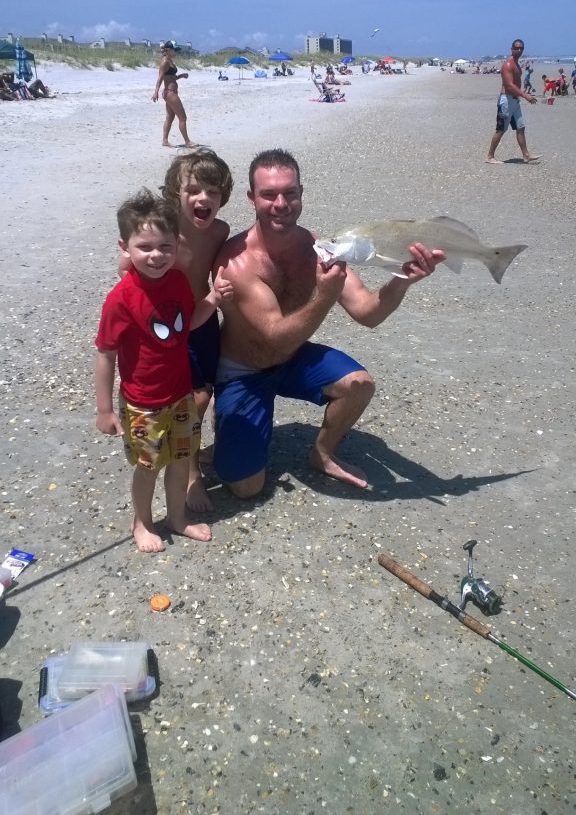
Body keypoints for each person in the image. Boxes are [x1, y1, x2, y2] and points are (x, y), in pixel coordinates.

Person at [211, 148, 445, 498]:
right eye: (269, 194)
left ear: (301, 194)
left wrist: (402, 280)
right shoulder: (237, 262)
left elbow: (368, 313)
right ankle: (226, 418)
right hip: (243, 370)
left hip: (290, 357)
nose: (281, 203)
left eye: (289, 193)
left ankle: (321, 452)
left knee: (359, 385)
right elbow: (273, 336)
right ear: (251, 198)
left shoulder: (315, 247)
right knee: (246, 488)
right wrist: (323, 296)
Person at [95, 188, 232, 552]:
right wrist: (105, 409)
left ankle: (177, 517)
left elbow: (189, 322)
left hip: (181, 395)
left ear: (176, 244)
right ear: (125, 247)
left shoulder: (176, 281)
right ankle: (141, 521)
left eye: (165, 247)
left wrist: (214, 300)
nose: (156, 256)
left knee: (182, 459)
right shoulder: (120, 299)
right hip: (143, 404)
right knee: (148, 466)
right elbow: (106, 354)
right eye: (145, 247)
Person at [160, 149, 233, 512]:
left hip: (205, 318)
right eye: (193, 190)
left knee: (216, 387)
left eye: (213, 192)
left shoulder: (220, 230)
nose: (203, 198)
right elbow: (126, 265)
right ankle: (189, 472)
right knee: (196, 398)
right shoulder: (165, 230)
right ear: (176, 193)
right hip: (172, 327)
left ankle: (201, 447)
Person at [485, 39, 540, 164]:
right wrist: (525, 95)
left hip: (515, 100)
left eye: (521, 48)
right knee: (500, 129)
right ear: (512, 49)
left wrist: (522, 96)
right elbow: (509, 85)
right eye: (517, 48)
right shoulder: (508, 64)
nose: (519, 50)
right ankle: (490, 156)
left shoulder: (516, 63)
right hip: (506, 101)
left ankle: (526, 155)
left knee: (520, 128)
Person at [152, 41, 193, 148]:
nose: (176, 52)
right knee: (183, 118)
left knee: (170, 117)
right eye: (175, 50)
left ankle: (165, 141)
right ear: (169, 50)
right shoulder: (165, 62)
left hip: (170, 92)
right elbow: (160, 77)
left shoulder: (170, 61)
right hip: (170, 93)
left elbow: (170, 77)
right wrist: (155, 92)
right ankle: (187, 142)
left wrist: (180, 76)